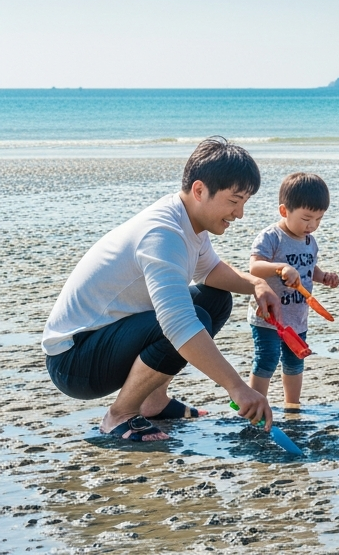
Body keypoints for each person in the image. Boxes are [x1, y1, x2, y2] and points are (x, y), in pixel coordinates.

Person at [43, 138, 280, 441]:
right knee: (189, 320)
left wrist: (257, 284)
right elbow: (178, 323)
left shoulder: (187, 220)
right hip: (74, 361)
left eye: (245, 203)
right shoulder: (163, 233)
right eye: (234, 201)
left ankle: (153, 402)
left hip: (105, 337)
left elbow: (210, 271)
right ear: (199, 190)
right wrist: (237, 388)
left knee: (215, 301)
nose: (240, 213)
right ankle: (120, 414)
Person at [246, 172, 339, 408]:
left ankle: (292, 405)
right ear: (284, 211)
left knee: (295, 361)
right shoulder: (271, 237)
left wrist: (323, 277)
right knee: (266, 360)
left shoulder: (310, 241)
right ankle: (256, 405)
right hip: (269, 317)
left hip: (297, 318)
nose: (313, 225)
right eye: (307, 218)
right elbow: (255, 267)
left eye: (319, 219)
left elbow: (309, 267)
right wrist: (281, 268)